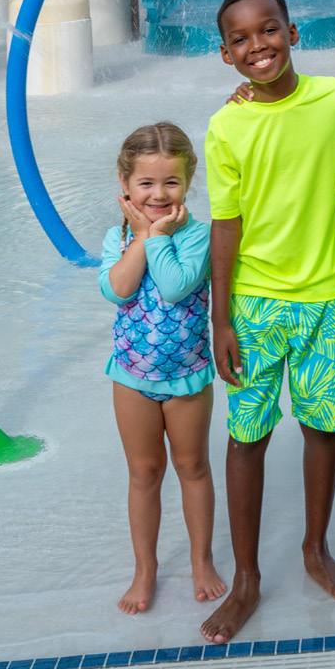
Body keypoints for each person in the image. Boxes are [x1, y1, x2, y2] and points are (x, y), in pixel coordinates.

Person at [201, 0, 335, 644]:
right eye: (240, 39)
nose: (257, 45)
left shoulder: (334, 99)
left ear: (293, 33)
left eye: (268, 30)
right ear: (225, 55)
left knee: (323, 426)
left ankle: (315, 549)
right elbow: (226, 224)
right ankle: (246, 579)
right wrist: (221, 318)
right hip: (256, 306)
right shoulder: (226, 126)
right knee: (248, 436)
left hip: (327, 299)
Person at [98, 123, 225, 615]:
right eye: (146, 183)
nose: (158, 194)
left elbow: (174, 287)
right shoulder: (117, 238)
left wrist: (157, 237)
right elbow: (117, 289)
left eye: (170, 182)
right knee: (144, 473)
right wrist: (142, 237)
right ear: (125, 183)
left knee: (193, 467)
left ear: (188, 181)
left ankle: (201, 561)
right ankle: (145, 569)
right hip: (132, 377)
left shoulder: (197, 236)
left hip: (187, 377)